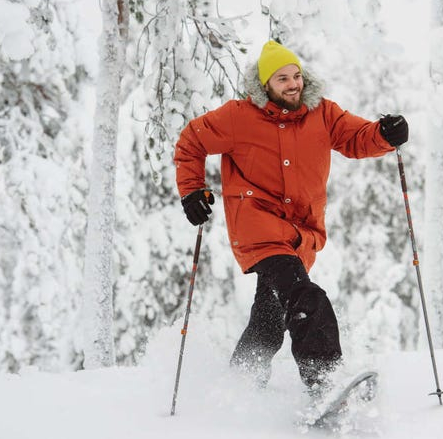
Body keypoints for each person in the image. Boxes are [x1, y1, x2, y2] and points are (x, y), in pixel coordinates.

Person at [174, 40, 408, 396]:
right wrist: (192, 190)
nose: (293, 84)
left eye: (296, 75)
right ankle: (324, 382)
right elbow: (192, 140)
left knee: (268, 322)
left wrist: (384, 135)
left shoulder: (322, 114)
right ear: (265, 85)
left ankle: (239, 386)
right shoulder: (239, 117)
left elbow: (358, 138)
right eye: (282, 78)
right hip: (258, 228)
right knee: (304, 297)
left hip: (300, 236)